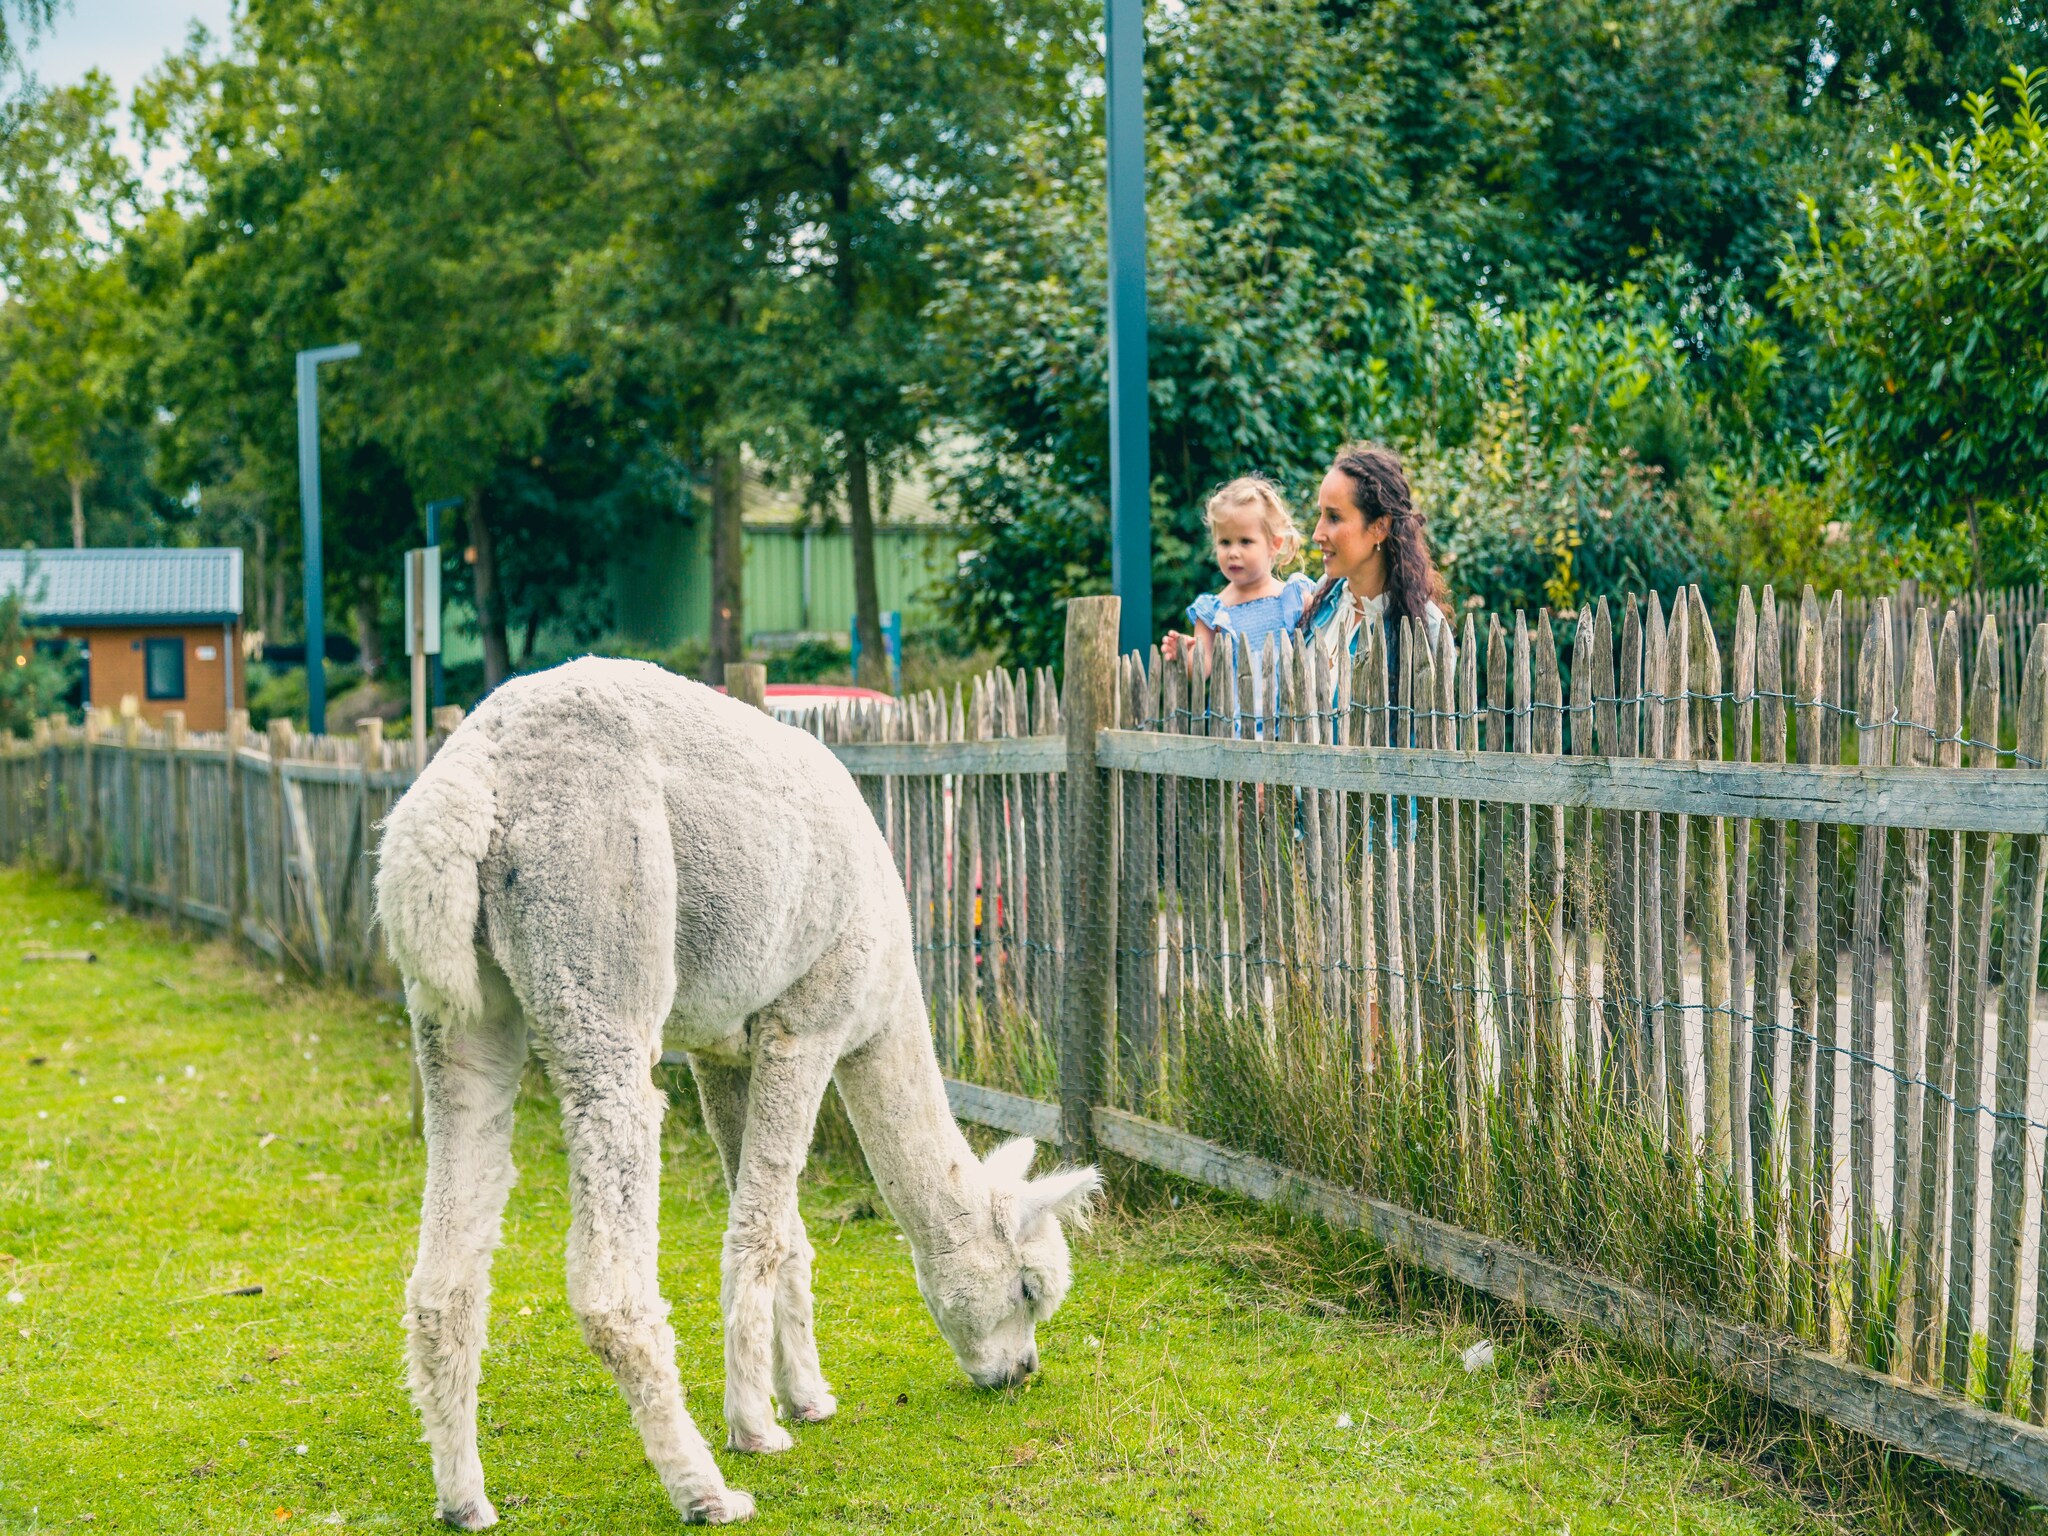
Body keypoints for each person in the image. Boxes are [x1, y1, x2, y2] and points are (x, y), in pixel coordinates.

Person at [1298, 442, 1452, 677]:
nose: (1317, 534)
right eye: (1321, 514)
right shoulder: (1322, 598)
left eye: (1334, 517)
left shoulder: (1426, 627)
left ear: (1379, 527)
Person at [1161, 475, 1316, 668]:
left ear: (1274, 545)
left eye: (1245, 541)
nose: (1233, 553)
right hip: (1234, 699)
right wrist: (1186, 654)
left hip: (1289, 698)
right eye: (1225, 542)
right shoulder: (1212, 612)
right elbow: (1203, 669)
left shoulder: (1293, 599)